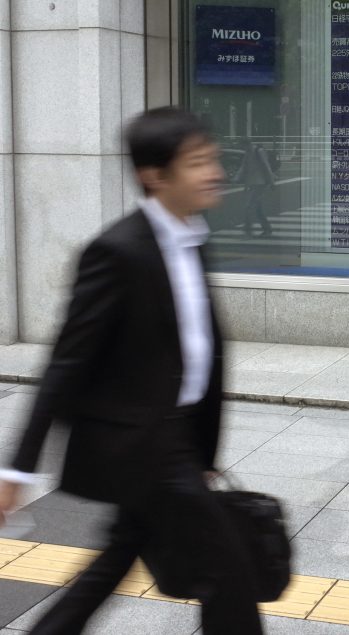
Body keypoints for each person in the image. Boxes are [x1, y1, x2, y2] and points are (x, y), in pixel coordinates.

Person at [0, 107, 263, 634]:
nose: (214, 171)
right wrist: (17, 470)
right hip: (143, 446)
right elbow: (66, 362)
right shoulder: (117, 250)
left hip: (176, 443)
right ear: (154, 175)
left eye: (212, 158)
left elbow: (198, 351)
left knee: (117, 558)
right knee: (229, 572)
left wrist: (203, 451)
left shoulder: (192, 235)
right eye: (197, 162)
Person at [239, 139, 276, 237]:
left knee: (249, 207)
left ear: (248, 144)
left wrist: (271, 181)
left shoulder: (258, 151)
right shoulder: (248, 153)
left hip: (261, 183)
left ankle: (248, 231)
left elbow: (266, 166)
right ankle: (267, 229)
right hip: (253, 184)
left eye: (243, 147)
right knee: (257, 208)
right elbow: (245, 169)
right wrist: (245, 185)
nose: (243, 149)